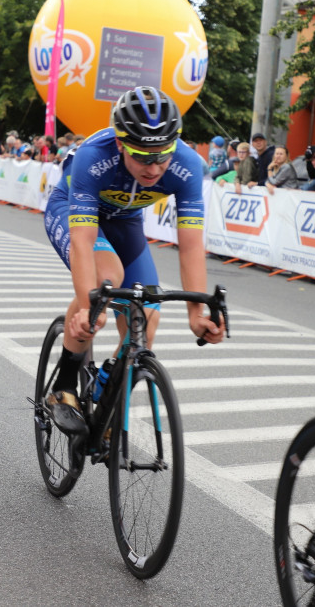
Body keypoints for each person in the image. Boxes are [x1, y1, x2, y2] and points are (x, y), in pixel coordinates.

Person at [42, 86, 225, 435]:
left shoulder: (187, 165)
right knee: (106, 279)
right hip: (73, 209)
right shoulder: (93, 156)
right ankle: (63, 387)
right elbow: (82, 242)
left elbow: (190, 245)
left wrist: (196, 314)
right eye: (143, 157)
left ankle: (110, 391)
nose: (154, 167)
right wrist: (86, 309)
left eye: (162, 156)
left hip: (125, 221)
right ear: (122, 144)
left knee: (146, 317)